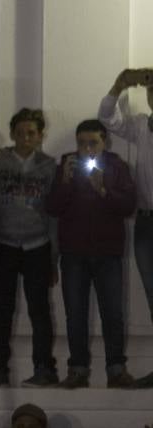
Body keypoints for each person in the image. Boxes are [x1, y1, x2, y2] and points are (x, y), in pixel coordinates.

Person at [46, 119, 138, 388]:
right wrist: (64, 181)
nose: (86, 149)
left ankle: (116, 369)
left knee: (113, 313)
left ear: (104, 142)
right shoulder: (66, 165)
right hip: (74, 253)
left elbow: (128, 206)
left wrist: (103, 191)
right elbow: (52, 207)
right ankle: (77, 369)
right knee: (75, 313)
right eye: (82, 143)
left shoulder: (117, 166)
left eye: (93, 143)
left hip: (108, 253)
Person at [0, 107, 58, 387]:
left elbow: (53, 213)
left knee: (39, 310)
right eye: (20, 132)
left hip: (37, 244)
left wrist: (53, 257)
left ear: (40, 136)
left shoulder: (49, 166)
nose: (25, 138)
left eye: (31, 133)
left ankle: (44, 368)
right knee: (2, 309)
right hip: (3, 243)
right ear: (12, 133)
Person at [99, 67, 153, 385]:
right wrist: (119, 84)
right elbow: (107, 117)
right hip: (146, 221)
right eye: (151, 88)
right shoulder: (142, 126)